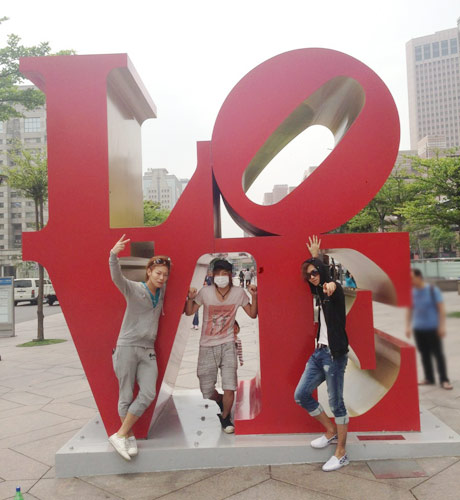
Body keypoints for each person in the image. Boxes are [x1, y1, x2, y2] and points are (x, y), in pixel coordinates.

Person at [108, 234, 171, 460]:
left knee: (148, 392)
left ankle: (120, 434)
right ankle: (129, 436)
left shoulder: (161, 292)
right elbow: (117, 278)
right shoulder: (134, 289)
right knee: (125, 394)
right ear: (149, 272)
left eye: (165, 274)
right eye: (158, 273)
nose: (162, 278)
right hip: (127, 346)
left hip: (148, 350)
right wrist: (113, 255)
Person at [294, 235, 350, 472]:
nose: (313, 277)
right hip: (319, 354)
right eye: (309, 275)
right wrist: (314, 259)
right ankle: (330, 431)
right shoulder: (319, 291)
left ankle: (342, 453)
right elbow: (318, 285)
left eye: (315, 273)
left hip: (335, 356)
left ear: (323, 272)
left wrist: (326, 275)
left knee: (337, 404)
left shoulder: (333, 291)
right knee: (301, 395)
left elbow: (331, 285)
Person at [185, 259, 257, 433]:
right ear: (212, 275)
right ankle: (219, 400)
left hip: (228, 344)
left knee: (229, 384)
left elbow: (252, 314)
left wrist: (254, 296)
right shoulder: (205, 292)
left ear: (230, 275)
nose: (220, 277)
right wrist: (190, 298)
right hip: (206, 345)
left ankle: (225, 418)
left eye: (224, 273)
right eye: (217, 273)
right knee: (206, 389)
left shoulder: (238, 293)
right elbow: (189, 311)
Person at [406, 269, 453, 390]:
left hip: (432, 328)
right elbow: (410, 309)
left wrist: (442, 326)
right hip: (418, 329)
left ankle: (444, 380)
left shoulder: (432, 290)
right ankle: (429, 377)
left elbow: (441, 309)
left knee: (438, 354)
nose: (410, 281)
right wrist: (408, 326)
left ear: (419, 277)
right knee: (424, 354)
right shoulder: (411, 292)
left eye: (411, 278)